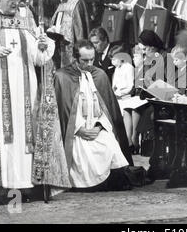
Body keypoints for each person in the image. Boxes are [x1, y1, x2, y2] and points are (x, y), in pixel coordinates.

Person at [0, 0, 70, 200]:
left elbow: (38, 58)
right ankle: (2, 187)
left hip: (27, 89)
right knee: (3, 137)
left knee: (25, 136)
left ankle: (26, 184)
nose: (15, 3)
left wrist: (43, 45)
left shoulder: (25, 14)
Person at [54, 40, 139, 191]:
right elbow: (61, 111)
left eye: (92, 59)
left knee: (111, 145)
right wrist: (78, 129)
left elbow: (107, 109)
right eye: (84, 60)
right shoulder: (62, 77)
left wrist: (99, 127)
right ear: (75, 57)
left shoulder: (99, 75)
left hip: (96, 128)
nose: (89, 63)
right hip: (74, 133)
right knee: (83, 158)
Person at [47, 0, 90, 69]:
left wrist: (80, 53)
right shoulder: (62, 3)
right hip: (62, 50)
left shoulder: (77, 2)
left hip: (73, 51)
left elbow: (80, 30)